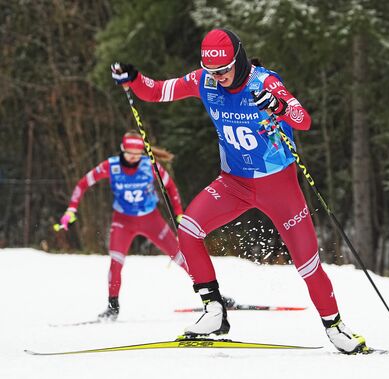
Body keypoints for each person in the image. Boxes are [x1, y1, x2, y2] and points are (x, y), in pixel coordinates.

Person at [111, 28, 366, 354]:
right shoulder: (203, 80)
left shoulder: (264, 82)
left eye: (223, 70)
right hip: (234, 183)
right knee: (188, 229)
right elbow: (156, 92)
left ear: (239, 60)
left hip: (279, 187)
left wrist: (277, 106)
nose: (217, 78)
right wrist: (134, 78)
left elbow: (303, 120)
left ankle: (335, 327)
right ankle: (214, 311)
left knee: (307, 264)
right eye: (212, 71)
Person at [57, 131, 188, 321]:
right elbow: (82, 184)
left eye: (137, 153)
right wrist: (71, 210)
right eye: (129, 153)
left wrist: (179, 214)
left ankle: (210, 296)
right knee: (116, 262)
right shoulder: (111, 166)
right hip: (123, 221)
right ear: (122, 150)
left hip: (151, 219)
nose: (134, 157)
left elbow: (171, 187)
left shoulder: (150, 165)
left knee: (180, 256)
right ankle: (112, 307)